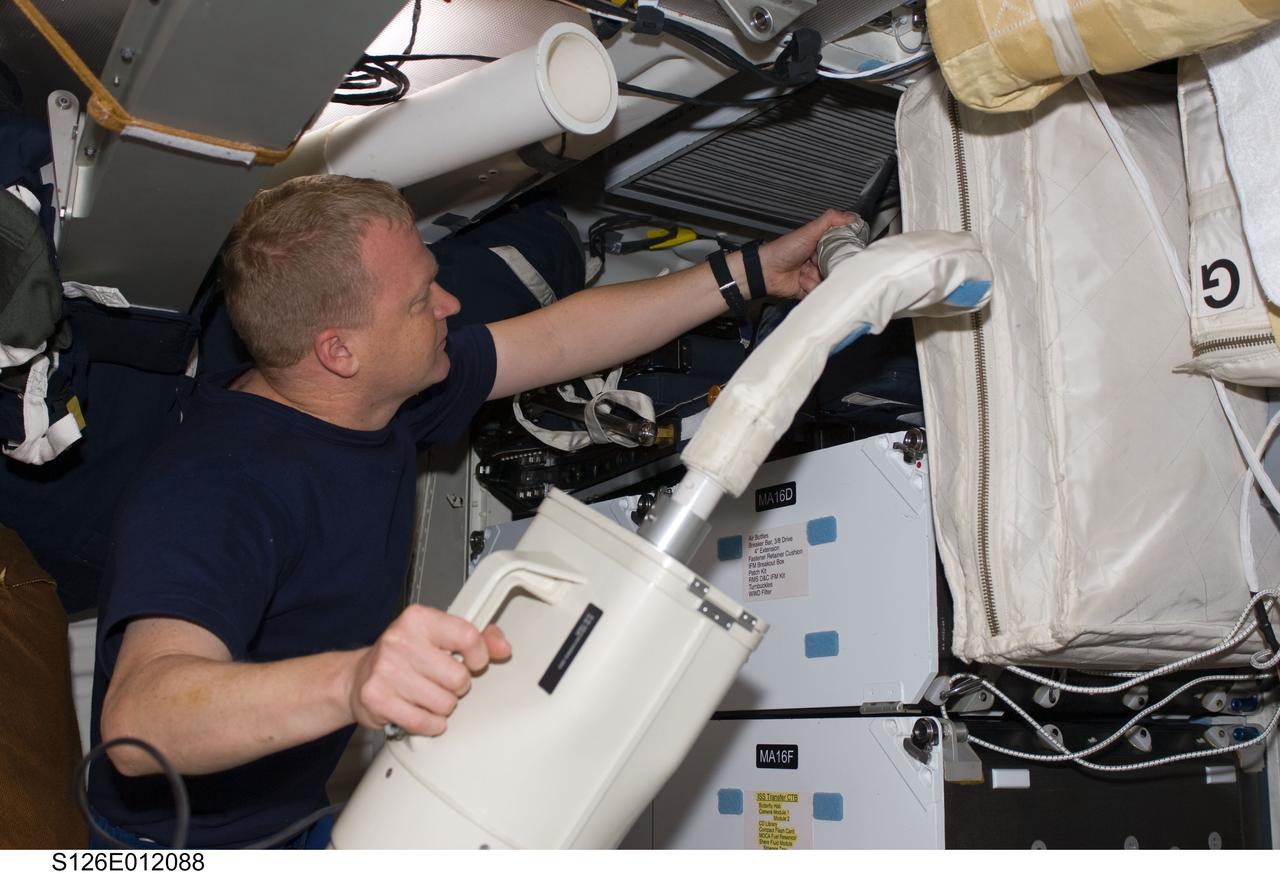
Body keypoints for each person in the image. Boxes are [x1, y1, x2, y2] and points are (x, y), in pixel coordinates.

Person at [87, 174, 855, 848]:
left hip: (292, 807)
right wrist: (354, 680)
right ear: (339, 351)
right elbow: (138, 723)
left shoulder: (364, 399)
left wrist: (750, 272)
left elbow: (557, 339)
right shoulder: (213, 493)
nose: (451, 304)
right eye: (423, 299)